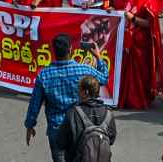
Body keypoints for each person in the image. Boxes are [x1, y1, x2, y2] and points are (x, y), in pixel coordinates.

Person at [24, 34, 109, 162]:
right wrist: (98, 57)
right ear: (70, 49)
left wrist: (30, 125)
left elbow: (34, 104)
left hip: (56, 131)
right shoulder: (83, 70)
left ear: (54, 51)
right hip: (80, 128)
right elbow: (103, 78)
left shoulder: (44, 75)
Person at [119, 0, 163, 109]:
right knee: (127, 71)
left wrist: (132, 18)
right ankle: (126, 98)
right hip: (128, 39)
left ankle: (139, 100)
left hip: (141, 43)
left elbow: (149, 24)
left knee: (139, 73)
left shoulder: (149, 0)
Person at [56, 75, 116, 162]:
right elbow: (111, 139)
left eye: (79, 90)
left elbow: (61, 142)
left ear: (85, 92)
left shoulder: (73, 113)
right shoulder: (109, 113)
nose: (78, 93)